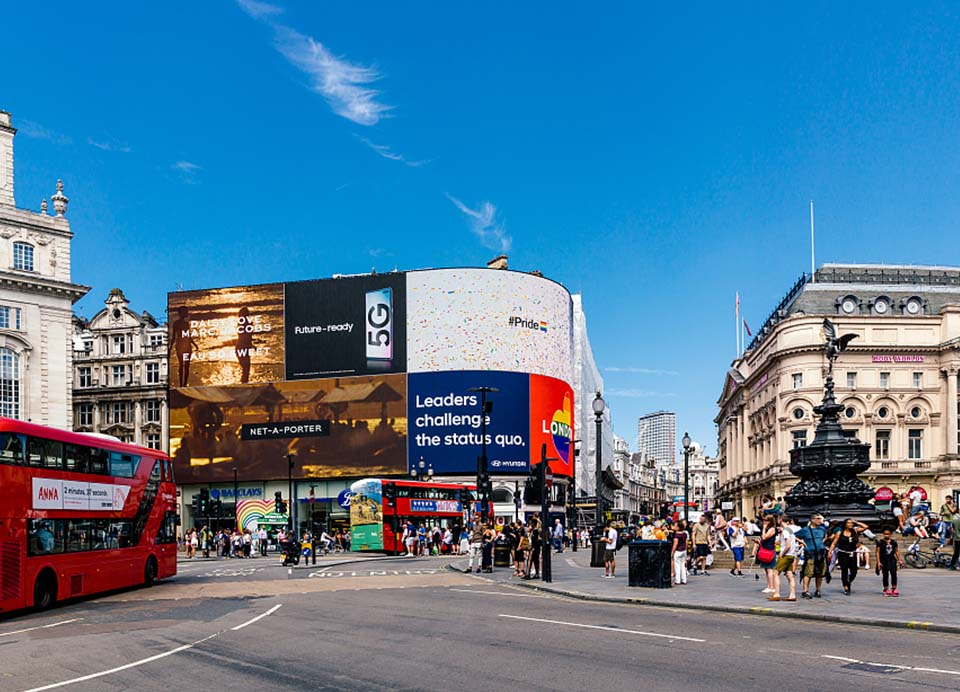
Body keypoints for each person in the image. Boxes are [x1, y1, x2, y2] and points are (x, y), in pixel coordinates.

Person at [795, 514, 828, 599]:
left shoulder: (822, 529)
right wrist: (802, 542)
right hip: (810, 554)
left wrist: (822, 542)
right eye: (818, 519)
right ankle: (805, 591)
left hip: (821, 553)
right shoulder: (805, 530)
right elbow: (794, 536)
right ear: (812, 520)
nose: (820, 520)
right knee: (808, 572)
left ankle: (818, 590)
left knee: (820, 573)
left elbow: (825, 536)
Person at [770, 517, 798, 601]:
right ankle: (792, 595)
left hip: (786, 555)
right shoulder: (790, 530)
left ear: (780, 520)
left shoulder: (785, 531)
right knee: (789, 575)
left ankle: (777, 594)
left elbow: (788, 545)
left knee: (776, 573)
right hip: (792, 555)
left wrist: (782, 553)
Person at [875, 528, 903, 596]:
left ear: (890, 534)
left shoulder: (894, 542)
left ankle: (894, 588)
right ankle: (886, 588)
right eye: (885, 534)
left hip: (892, 559)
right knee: (885, 574)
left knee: (894, 574)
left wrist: (899, 560)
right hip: (883, 559)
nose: (886, 535)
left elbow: (896, 551)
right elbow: (877, 552)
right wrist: (878, 562)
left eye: (888, 534)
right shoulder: (880, 542)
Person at [758, 514, 778, 595]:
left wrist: (764, 528)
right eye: (764, 520)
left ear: (770, 521)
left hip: (769, 550)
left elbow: (764, 537)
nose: (764, 522)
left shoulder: (772, 529)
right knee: (766, 569)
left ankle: (772, 587)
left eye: (766, 520)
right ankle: (769, 586)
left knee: (769, 569)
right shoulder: (769, 529)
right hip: (765, 549)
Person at [671, 520, 688, 585]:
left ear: (678, 527)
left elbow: (675, 544)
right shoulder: (685, 534)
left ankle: (677, 580)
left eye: (675, 526)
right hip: (683, 550)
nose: (674, 527)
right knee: (683, 565)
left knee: (677, 566)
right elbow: (686, 542)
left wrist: (672, 552)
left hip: (678, 551)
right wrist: (686, 549)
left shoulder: (676, 535)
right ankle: (684, 579)